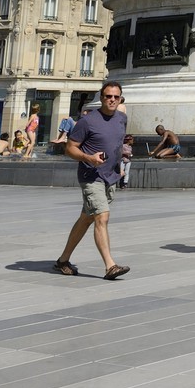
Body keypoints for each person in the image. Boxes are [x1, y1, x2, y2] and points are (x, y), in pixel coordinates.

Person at [53, 81, 130, 280]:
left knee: (86, 218)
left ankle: (63, 261)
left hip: (110, 177)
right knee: (101, 217)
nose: (112, 100)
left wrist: (119, 166)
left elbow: (117, 144)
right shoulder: (87, 121)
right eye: (107, 96)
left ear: (120, 98)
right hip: (91, 176)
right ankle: (110, 266)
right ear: (101, 97)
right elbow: (70, 147)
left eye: (115, 96)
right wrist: (89, 158)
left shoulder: (122, 118)